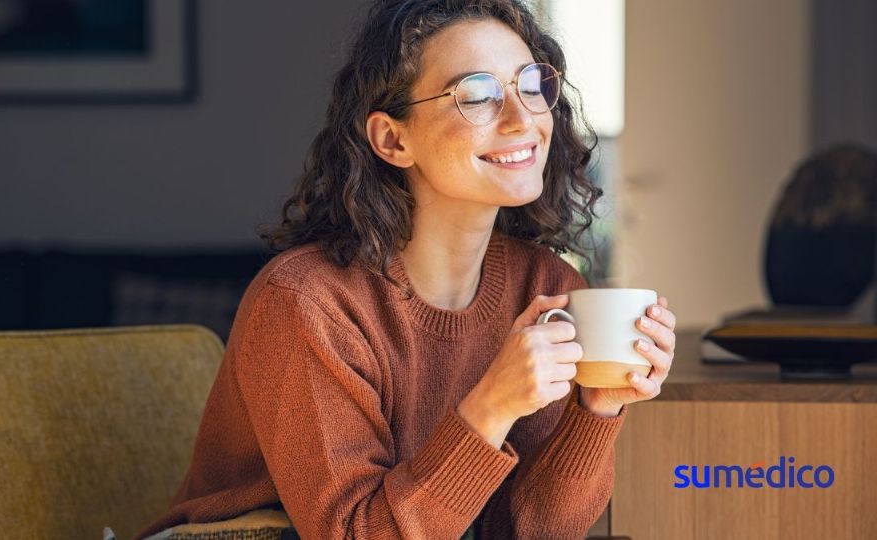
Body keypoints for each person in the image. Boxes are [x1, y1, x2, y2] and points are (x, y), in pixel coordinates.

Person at [138, 0, 677, 538]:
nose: (523, 119)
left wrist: (596, 410)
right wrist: (491, 405)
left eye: (531, 84)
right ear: (393, 140)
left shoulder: (547, 288)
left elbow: (530, 530)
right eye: (478, 95)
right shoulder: (306, 303)